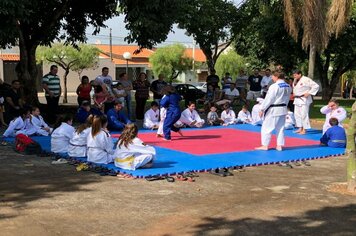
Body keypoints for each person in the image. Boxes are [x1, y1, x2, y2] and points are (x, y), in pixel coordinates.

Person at [255, 71, 291, 151]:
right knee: (280, 128)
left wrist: (262, 109)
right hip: (283, 109)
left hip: (274, 109)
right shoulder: (288, 86)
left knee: (266, 127)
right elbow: (288, 98)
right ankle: (279, 145)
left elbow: (269, 99)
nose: (272, 78)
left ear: (276, 77)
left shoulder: (274, 86)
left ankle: (265, 145)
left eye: (273, 76)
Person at [292, 69, 319, 135]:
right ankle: (300, 128)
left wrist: (309, 93)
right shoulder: (295, 80)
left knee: (304, 114)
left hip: (304, 99)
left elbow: (316, 86)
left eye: (295, 75)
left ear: (300, 74)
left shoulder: (306, 79)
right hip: (297, 99)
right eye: (293, 75)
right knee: (297, 114)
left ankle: (305, 129)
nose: (294, 76)